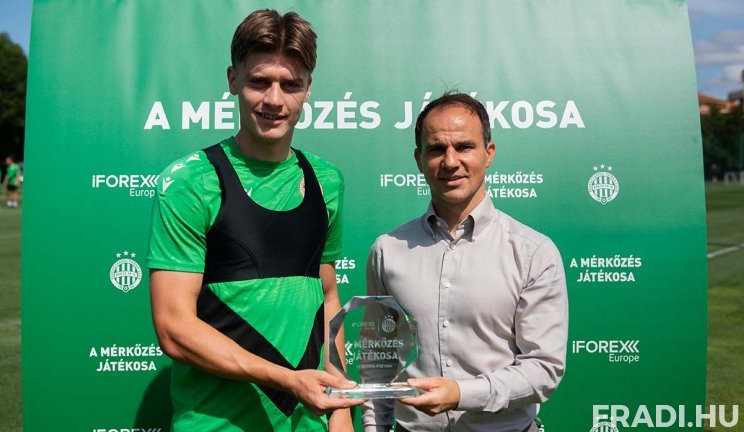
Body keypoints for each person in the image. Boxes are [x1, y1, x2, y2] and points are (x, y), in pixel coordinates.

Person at [147, 9, 360, 432]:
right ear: (233, 80)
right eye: (260, 82)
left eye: (290, 84)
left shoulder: (327, 181)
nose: (274, 100)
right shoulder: (192, 181)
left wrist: (340, 411)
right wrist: (287, 380)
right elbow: (174, 328)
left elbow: (328, 298)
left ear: (308, 89)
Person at [363, 93, 568, 432]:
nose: (450, 161)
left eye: (464, 147)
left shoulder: (533, 252)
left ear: (489, 154)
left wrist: (461, 394)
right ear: (418, 159)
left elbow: (544, 369)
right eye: (436, 149)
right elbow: (378, 363)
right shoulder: (387, 251)